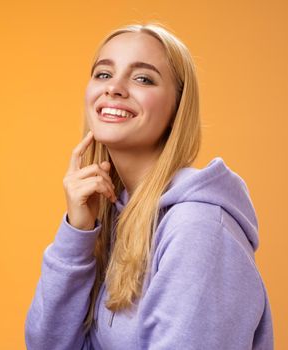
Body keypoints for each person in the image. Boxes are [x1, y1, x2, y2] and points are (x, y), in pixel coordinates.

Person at [25, 22, 274, 349]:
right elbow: (48, 344)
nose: (114, 88)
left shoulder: (199, 230)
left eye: (143, 78)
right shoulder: (115, 213)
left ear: (176, 110)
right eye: (103, 74)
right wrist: (77, 235)